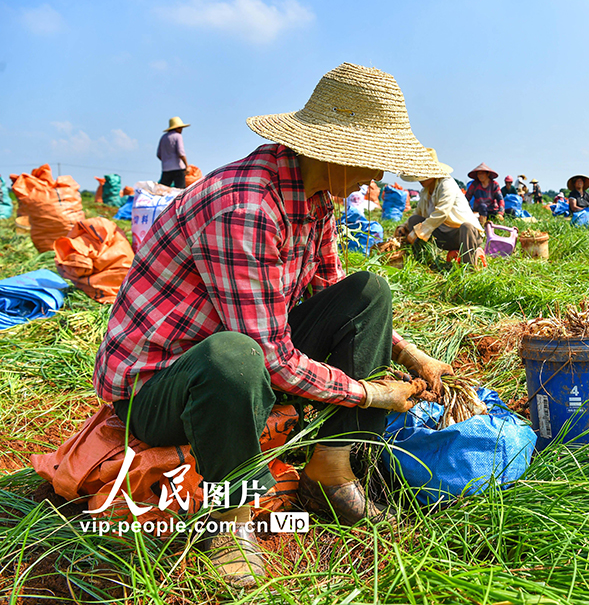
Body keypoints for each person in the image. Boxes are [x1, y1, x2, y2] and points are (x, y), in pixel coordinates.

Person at [93, 64, 458, 588]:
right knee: (233, 355)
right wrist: (372, 394)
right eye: (372, 161)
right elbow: (268, 357)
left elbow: (331, 289)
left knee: (369, 292)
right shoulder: (244, 207)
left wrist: (409, 354)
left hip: (246, 357)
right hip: (162, 387)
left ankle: (330, 472)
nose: (377, 178)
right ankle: (230, 519)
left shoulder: (316, 199)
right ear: (331, 151)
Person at [395, 151, 485, 268]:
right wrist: (403, 227)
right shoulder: (425, 191)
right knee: (414, 220)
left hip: (464, 236)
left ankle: (469, 268)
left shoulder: (446, 184)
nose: (420, 180)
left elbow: (442, 212)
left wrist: (417, 232)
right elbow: (418, 212)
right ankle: (423, 262)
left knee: (466, 227)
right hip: (444, 236)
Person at [157, 116, 189, 188]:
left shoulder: (163, 137)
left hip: (166, 169)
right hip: (178, 168)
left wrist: (166, 160)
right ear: (177, 128)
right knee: (180, 190)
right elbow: (181, 152)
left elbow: (159, 154)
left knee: (163, 189)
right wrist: (187, 166)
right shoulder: (178, 136)